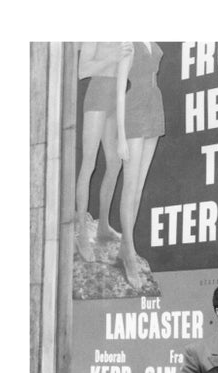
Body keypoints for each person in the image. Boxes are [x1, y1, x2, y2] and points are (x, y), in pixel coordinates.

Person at [75, 42, 133, 261]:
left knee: (115, 163)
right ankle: (82, 233)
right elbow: (83, 70)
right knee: (89, 163)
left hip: (117, 97)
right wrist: (113, 58)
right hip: (98, 95)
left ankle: (103, 226)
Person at [116, 42, 165, 290]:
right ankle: (129, 254)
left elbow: (154, 77)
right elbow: (120, 89)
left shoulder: (153, 43)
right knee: (130, 186)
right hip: (134, 110)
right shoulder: (128, 42)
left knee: (139, 187)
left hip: (154, 107)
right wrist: (121, 136)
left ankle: (126, 246)